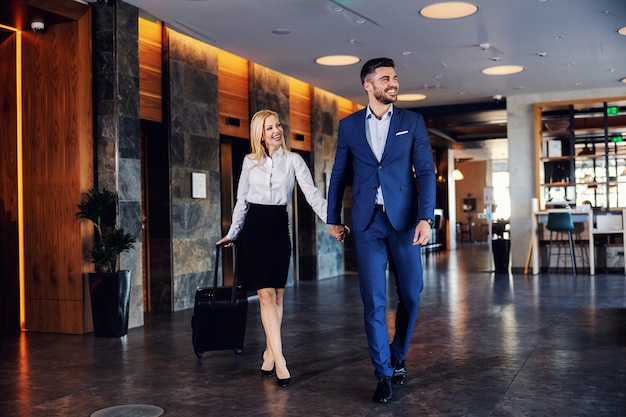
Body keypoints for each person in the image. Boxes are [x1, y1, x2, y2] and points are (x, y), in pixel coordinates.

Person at [326, 57, 436, 403]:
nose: (394, 83)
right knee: (373, 301)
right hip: (366, 223)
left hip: (404, 222)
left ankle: (398, 352)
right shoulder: (349, 126)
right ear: (368, 85)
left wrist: (426, 218)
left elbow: (426, 172)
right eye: (386, 78)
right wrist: (332, 217)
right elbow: (339, 173)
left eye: (395, 78)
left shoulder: (412, 122)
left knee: (411, 294)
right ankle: (383, 372)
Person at [217, 109, 336, 387]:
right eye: (270, 127)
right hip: (254, 231)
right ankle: (281, 360)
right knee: (266, 296)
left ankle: (269, 352)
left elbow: (312, 194)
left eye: (278, 125)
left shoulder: (294, 160)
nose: (276, 131)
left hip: (279, 229)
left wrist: (333, 220)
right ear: (260, 133)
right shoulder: (249, 162)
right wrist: (233, 233)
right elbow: (241, 202)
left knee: (279, 296)